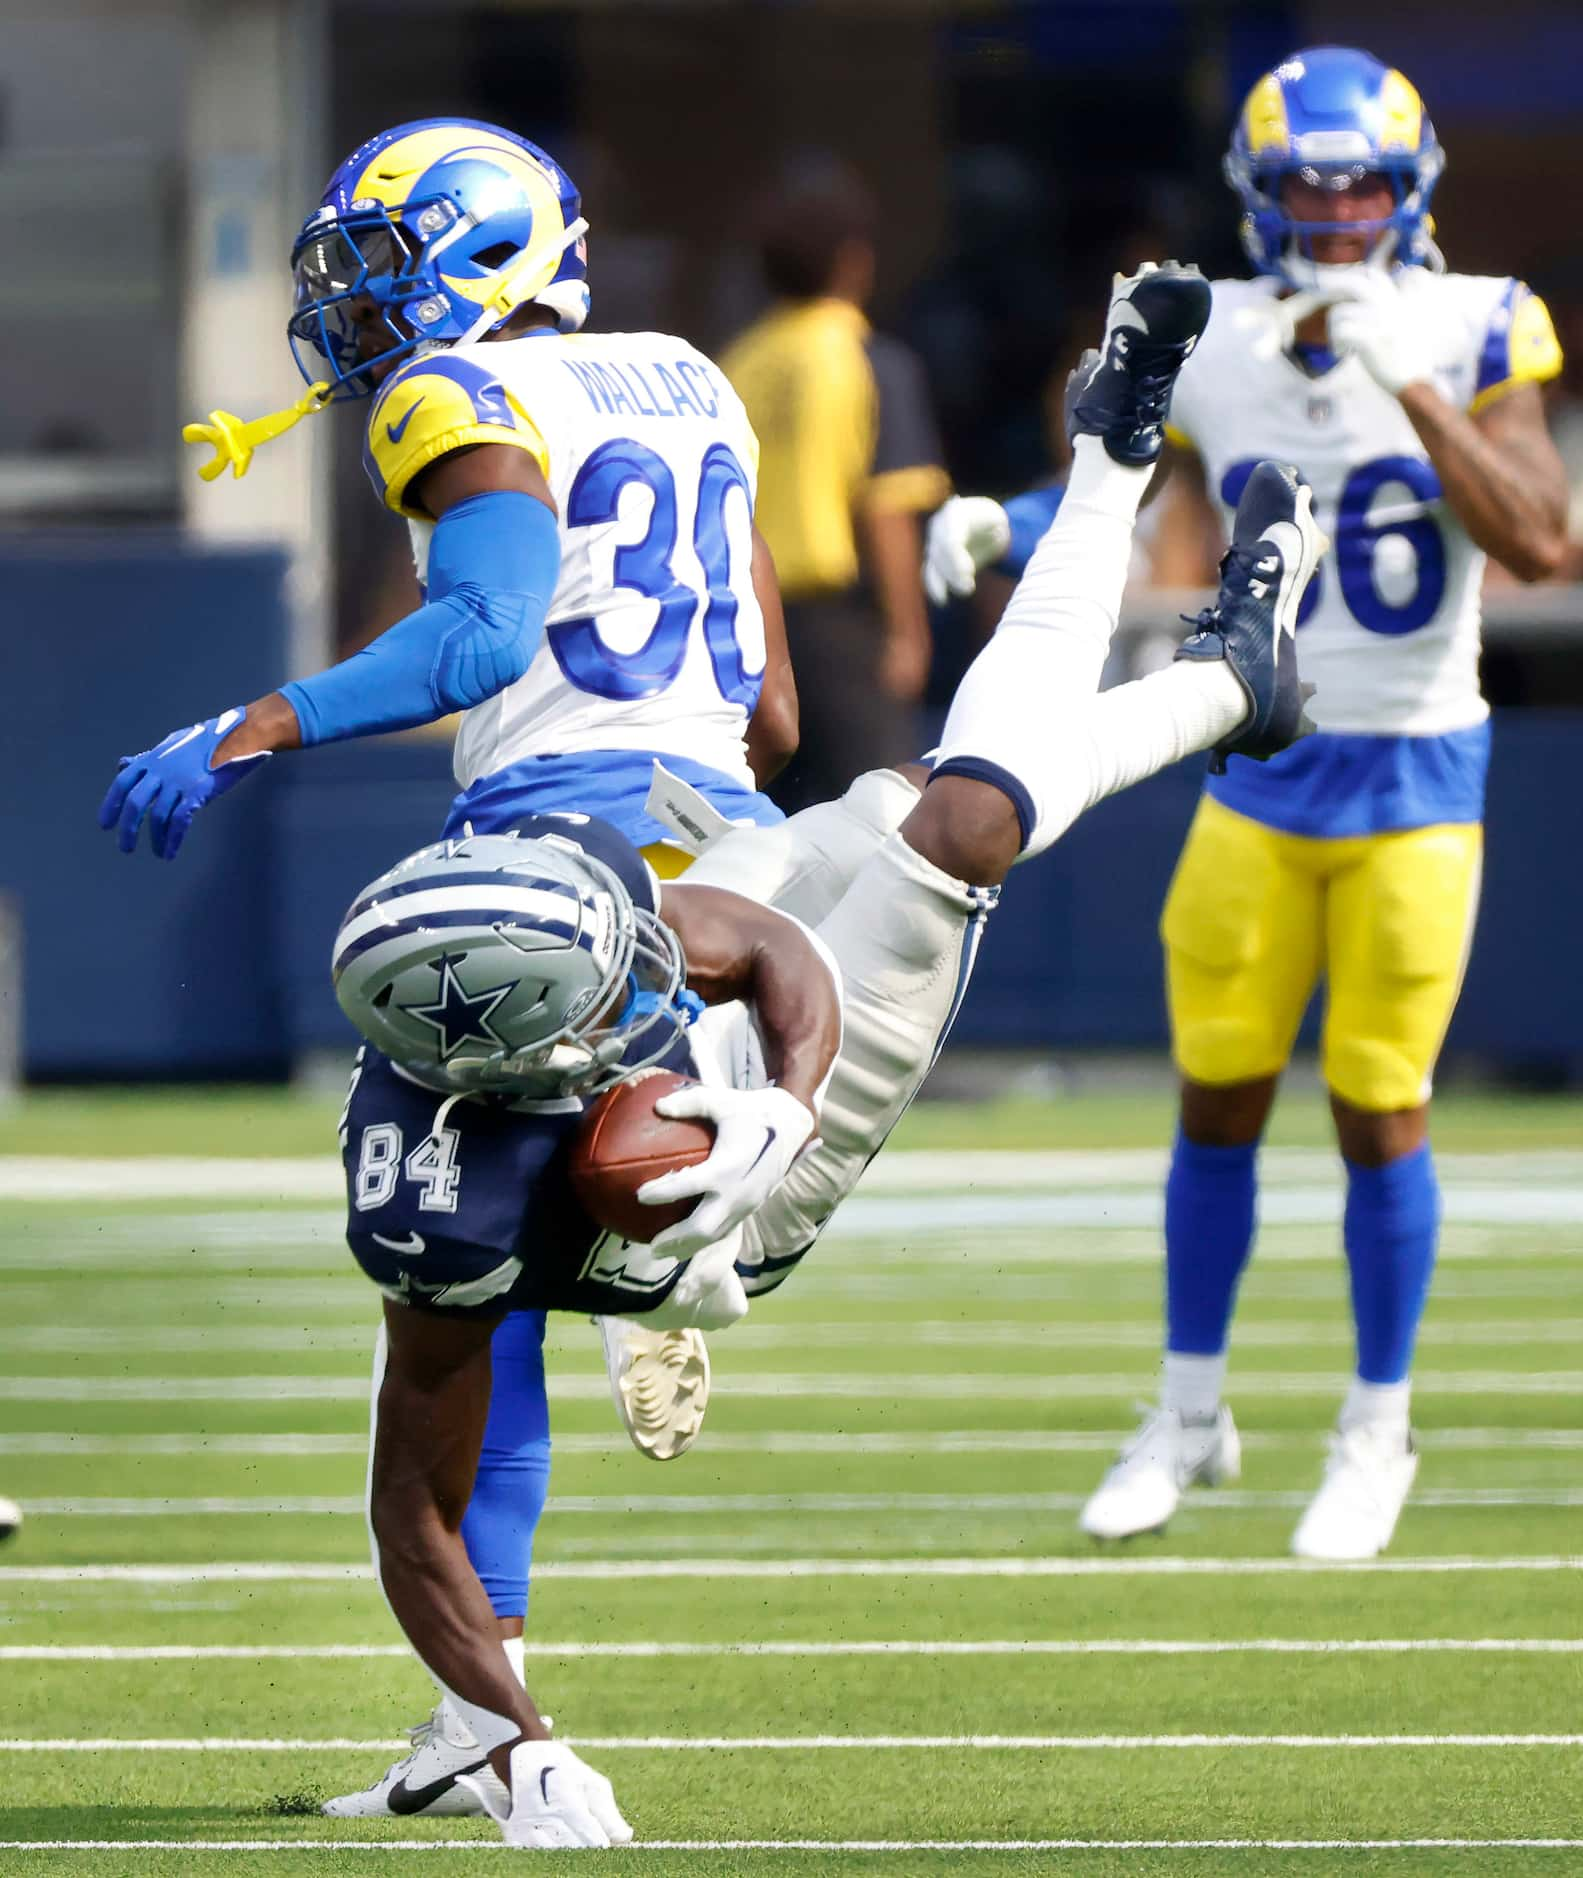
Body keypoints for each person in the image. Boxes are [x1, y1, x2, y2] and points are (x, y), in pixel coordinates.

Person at [306, 264, 1320, 1846]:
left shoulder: (618, 925)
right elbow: (405, 1504)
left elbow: (765, 958)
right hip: (721, 1221)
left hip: (739, 1074)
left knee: (948, 802)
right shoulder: (427, 1170)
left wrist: (764, 1098)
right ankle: (1197, 631)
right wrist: (532, 1755)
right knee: (967, 819)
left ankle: (1144, 520)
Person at [99, 116, 805, 1819]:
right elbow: (775, 709)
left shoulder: (455, 395)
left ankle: (525, 1751)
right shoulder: (689, 378)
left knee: (433, 1322)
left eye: (376, 267)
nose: (353, 310)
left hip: (561, 858)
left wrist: (249, 722)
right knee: (506, 1307)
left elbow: (484, 634)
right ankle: (469, 1708)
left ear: (477, 261)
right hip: (728, 843)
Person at [921, 48, 1568, 1561]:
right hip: (1256, 758)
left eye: (1356, 184)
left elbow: (1538, 538)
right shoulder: (1203, 324)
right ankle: (1188, 1409)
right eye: (1302, 185)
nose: (1332, 211)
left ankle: (1371, 1426)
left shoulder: (1475, 319)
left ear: (1404, 192)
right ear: (1257, 195)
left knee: (1375, 1105)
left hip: (1414, 766)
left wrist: (1399, 373)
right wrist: (999, 516)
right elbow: (1119, 477)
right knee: (1211, 1089)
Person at [722, 160, 951, 811]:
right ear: (853, 262)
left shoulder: (739, 361)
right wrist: (908, 633)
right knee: (875, 812)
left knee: (771, 813)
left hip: (749, 621)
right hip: (841, 628)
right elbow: (884, 509)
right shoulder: (865, 357)